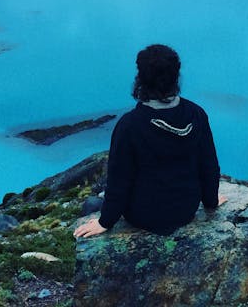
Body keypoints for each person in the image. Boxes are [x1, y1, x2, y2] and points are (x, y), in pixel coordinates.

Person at [74, 44, 223, 238]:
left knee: (92, 204)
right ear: (175, 77)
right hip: (186, 209)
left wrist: (105, 221)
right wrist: (211, 202)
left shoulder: (129, 125)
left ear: (141, 79)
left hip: (143, 215)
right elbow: (209, 165)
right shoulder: (196, 114)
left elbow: (119, 181)